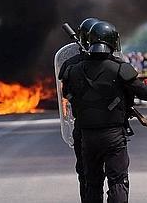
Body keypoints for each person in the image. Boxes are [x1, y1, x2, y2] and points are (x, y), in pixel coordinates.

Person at [63, 20, 147, 203]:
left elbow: (67, 93)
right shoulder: (120, 68)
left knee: (92, 183)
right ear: (113, 42)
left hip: (87, 136)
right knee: (118, 181)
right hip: (113, 135)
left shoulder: (73, 70)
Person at [58, 17, 100, 202]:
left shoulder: (71, 65)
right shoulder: (117, 65)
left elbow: (65, 95)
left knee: (87, 175)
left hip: (84, 127)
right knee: (116, 177)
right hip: (111, 129)